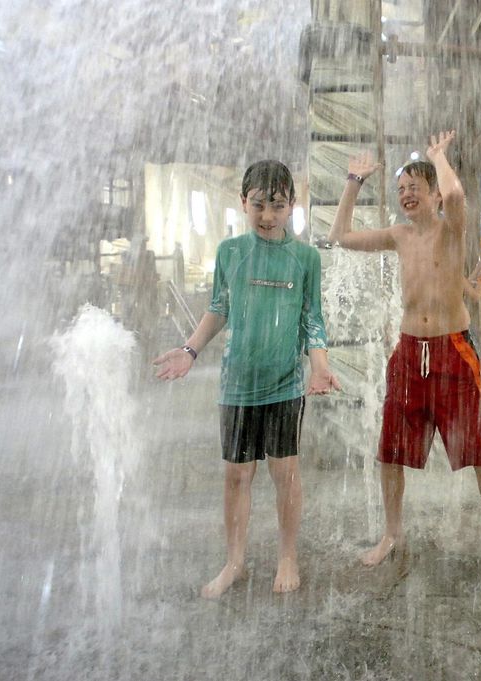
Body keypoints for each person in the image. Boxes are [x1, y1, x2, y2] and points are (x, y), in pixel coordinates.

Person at [153, 160, 341, 598]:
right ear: (243, 202)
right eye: (258, 205)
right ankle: (234, 561)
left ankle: (287, 556)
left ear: (293, 206)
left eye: (277, 206)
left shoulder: (305, 258)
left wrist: (319, 365)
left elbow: (313, 319)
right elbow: (219, 307)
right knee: (236, 475)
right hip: (237, 383)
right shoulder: (231, 252)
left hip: (284, 384)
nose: (267, 216)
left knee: (286, 472)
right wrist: (189, 350)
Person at [327, 132, 481, 574]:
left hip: (453, 349)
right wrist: (353, 181)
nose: (406, 195)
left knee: (480, 452)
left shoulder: (452, 229)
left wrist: (438, 156)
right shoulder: (398, 235)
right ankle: (392, 532)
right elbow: (341, 237)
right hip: (410, 352)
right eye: (401, 190)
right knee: (390, 450)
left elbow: (455, 193)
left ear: (432, 195)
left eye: (415, 188)